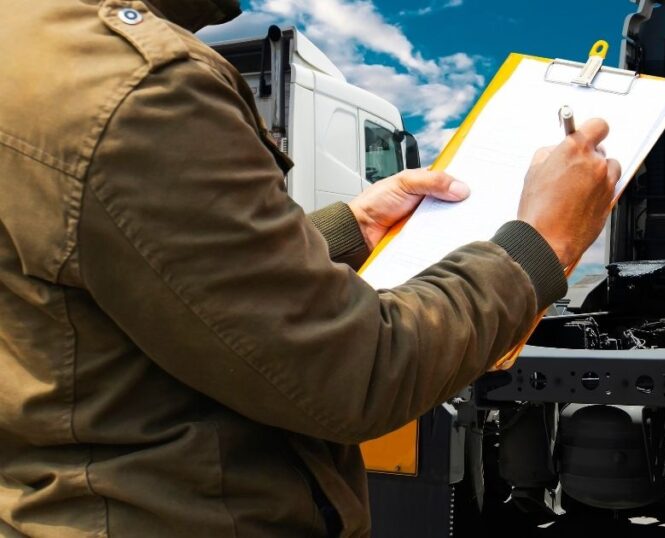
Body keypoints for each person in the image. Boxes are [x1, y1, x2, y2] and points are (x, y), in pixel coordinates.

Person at [0, 1, 621, 536]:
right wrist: (544, 242)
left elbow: (144, 276)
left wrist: (347, 228)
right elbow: (358, 370)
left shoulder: (30, 47)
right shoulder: (137, 88)